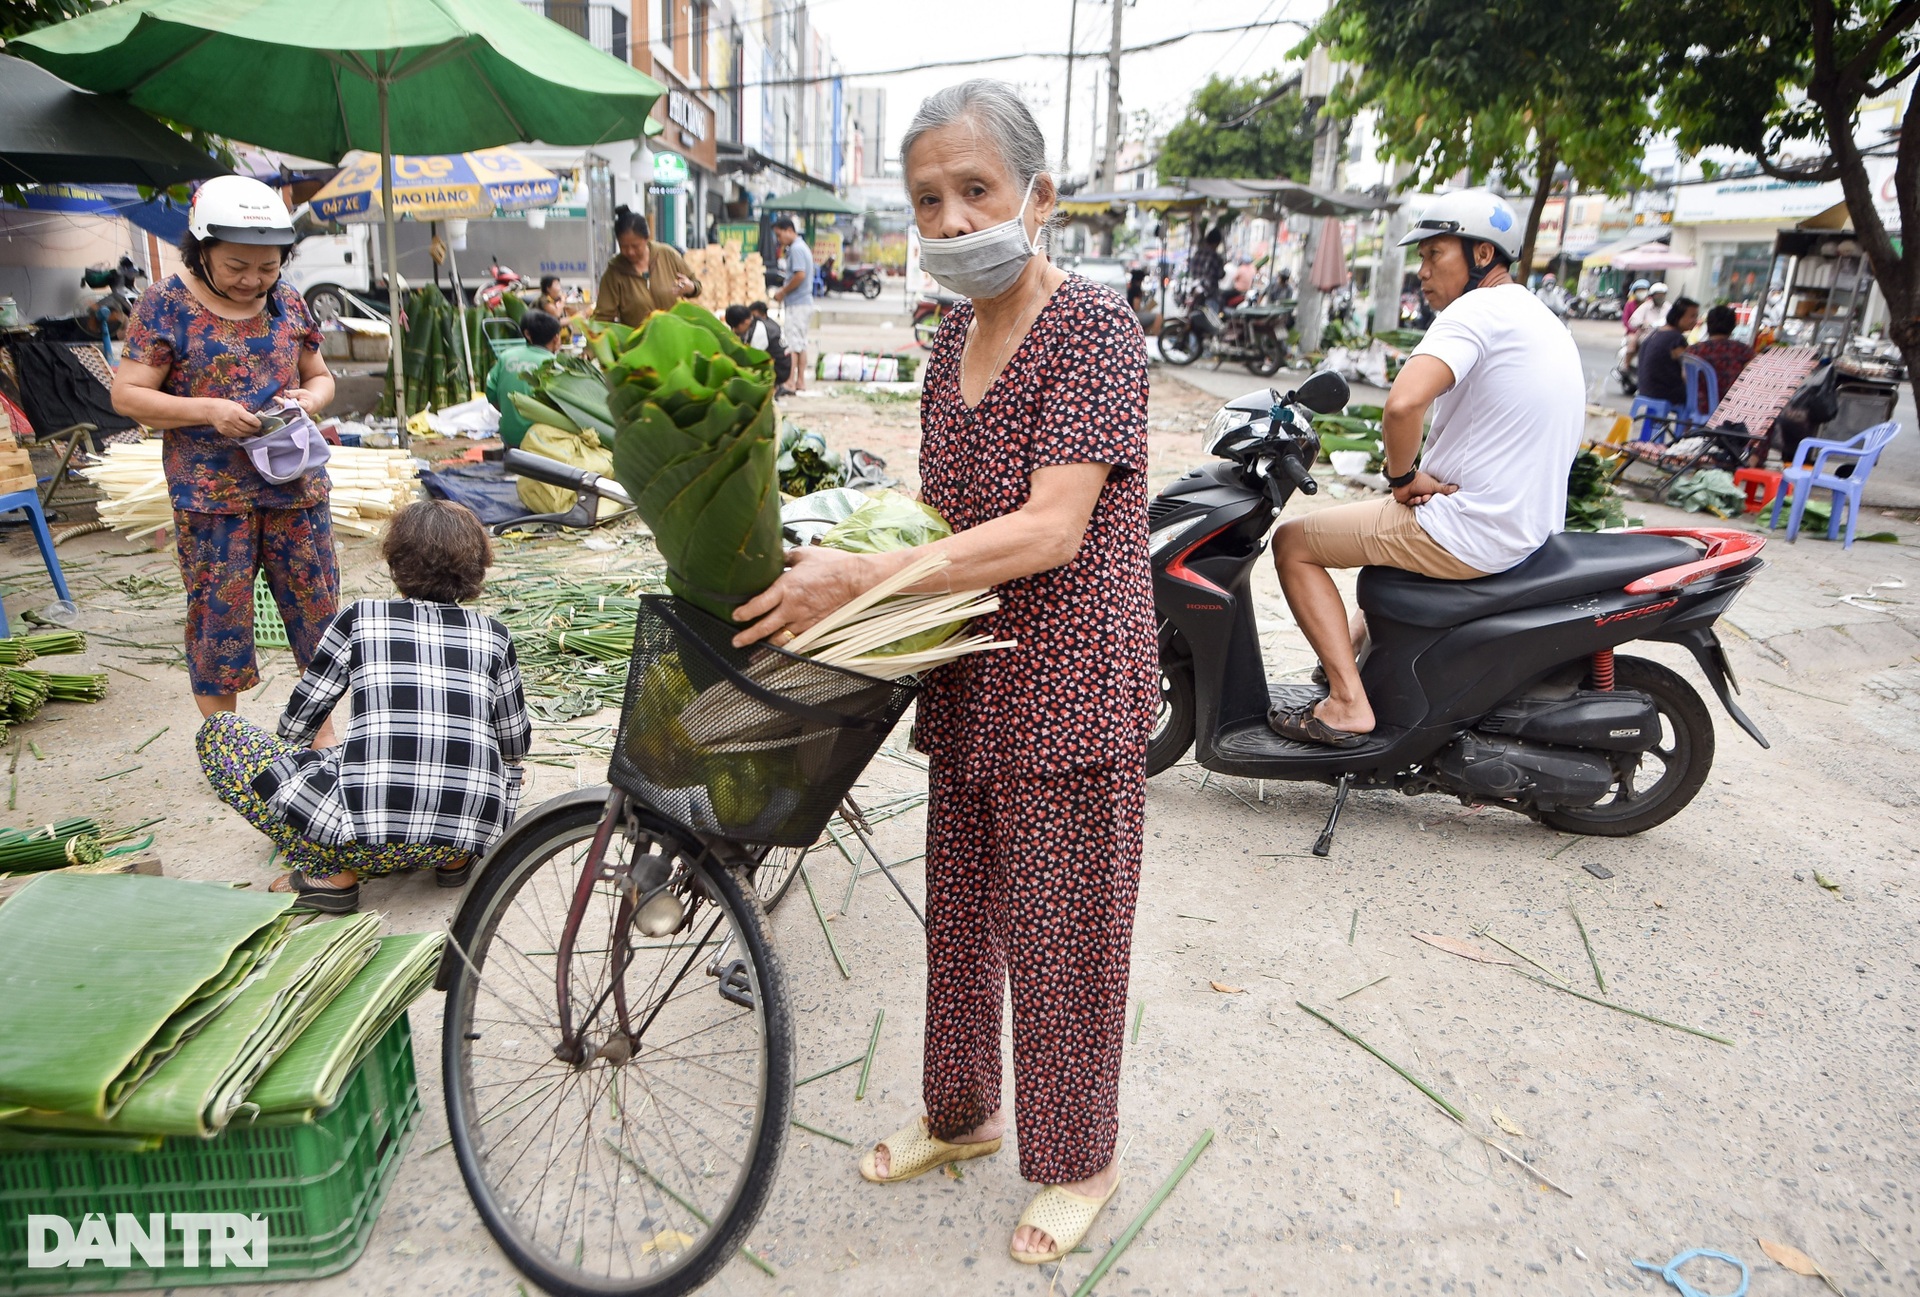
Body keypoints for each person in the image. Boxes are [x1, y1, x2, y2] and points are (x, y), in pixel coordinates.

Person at [729, 79, 1153, 1267]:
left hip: (1071, 687)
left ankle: (1082, 1160)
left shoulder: (1094, 333)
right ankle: (962, 1115)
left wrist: (855, 584)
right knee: (960, 920)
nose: (957, 220)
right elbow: (937, 524)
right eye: (930, 200)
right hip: (970, 677)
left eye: (978, 191)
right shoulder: (943, 351)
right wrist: (851, 585)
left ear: (1040, 198)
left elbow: (1048, 529)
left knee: (1064, 934)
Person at [1269, 188, 1584, 745]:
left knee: (1293, 542)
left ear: (1481, 255)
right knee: (1377, 545)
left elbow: (1403, 404)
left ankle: (1346, 704)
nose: (1422, 270)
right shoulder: (1540, 316)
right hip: (1524, 527)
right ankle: (1349, 667)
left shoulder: (1476, 310)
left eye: (1434, 254)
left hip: (1470, 527)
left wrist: (1401, 477)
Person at [195, 500, 530, 913]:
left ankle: (330, 875)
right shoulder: (493, 634)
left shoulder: (360, 619)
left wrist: (309, 774)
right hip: (467, 835)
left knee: (222, 735)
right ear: (477, 567)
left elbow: (299, 724)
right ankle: (454, 860)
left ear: (396, 563)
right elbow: (514, 745)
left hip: (362, 843)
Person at [112, 175, 341, 749]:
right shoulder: (165, 305)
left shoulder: (288, 301)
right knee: (220, 619)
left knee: (319, 613)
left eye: (267, 267)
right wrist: (207, 410)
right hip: (213, 497)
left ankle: (323, 740)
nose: (252, 280)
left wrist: (309, 399)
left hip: (296, 487)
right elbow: (127, 396)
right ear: (201, 248)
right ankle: (226, 745)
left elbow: (320, 376)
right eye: (237, 265)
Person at [591, 206, 700, 327]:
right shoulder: (615, 272)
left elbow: (696, 285)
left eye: (635, 246)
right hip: (639, 344)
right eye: (624, 247)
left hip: (675, 340)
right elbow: (602, 318)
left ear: (647, 238)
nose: (630, 252)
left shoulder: (667, 255)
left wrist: (691, 288)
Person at [486, 310, 564, 449]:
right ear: (556, 338)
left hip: (509, 437)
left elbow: (491, 391)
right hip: (539, 441)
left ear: (527, 334)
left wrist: (511, 413)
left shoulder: (506, 356)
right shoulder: (554, 364)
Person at [769, 215, 815, 390]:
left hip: (797, 303)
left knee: (793, 343)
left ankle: (790, 381)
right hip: (803, 302)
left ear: (789, 230)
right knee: (801, 343)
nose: (779, 240)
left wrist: (782, 292)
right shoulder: (801, 247)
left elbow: (800, 275)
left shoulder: (796, 249)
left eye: (779, 235)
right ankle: (800, 381)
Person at [1688, 304, 1755, 408]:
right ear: (1733, 326)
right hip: (1732, 407)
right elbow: (1752, 377)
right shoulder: (1743, 351)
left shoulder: (1693, 351)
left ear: (1708, 325)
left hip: (1699, 406)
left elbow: (1685, 377)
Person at [1636, 296, 1700, 405]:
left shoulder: (1656, 333)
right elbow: (1688, 372)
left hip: (1645, 390)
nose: (1695, 321)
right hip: (1663, 393)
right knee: (1701, 396)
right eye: (1692, 316)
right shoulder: (1676, 339)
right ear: (1678, 317)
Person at [724, 302, 792, 389]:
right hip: (782, 364)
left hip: (780, 371)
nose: (734, 331)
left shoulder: (759, 332)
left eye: (735, 327)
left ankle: (773, 388)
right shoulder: (756, 322)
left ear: (746, 322)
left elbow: (753, 360)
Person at [1188, 228, 1226, 307]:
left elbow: (1192, 270)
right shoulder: (1216, 257)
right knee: (1212, 317)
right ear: (1217, 242)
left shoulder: (1197, 254)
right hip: (1209, 295)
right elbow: (1220, 274)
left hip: (1195, 292)